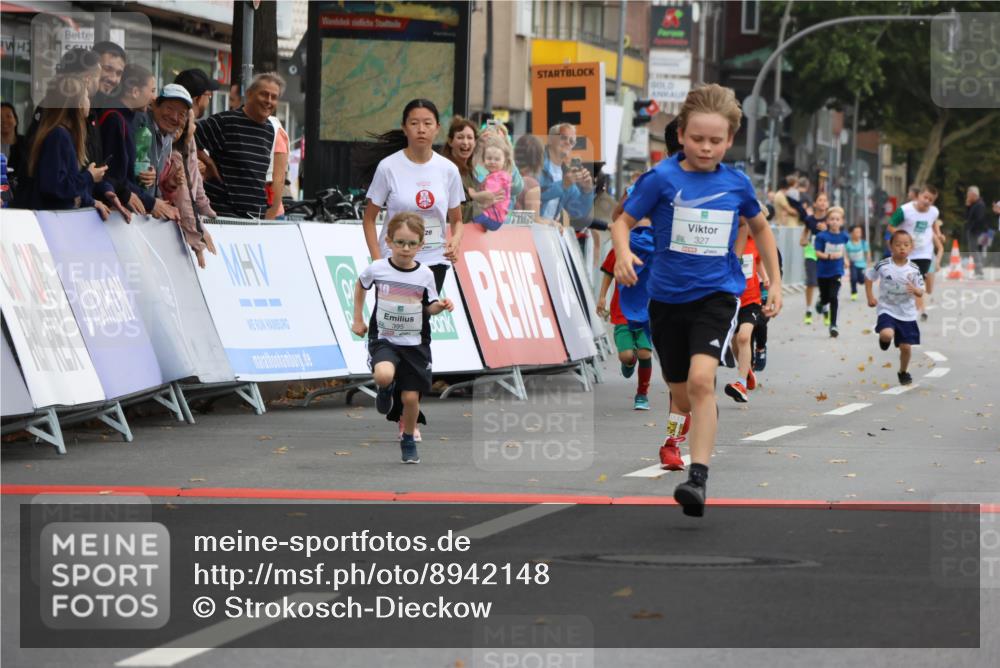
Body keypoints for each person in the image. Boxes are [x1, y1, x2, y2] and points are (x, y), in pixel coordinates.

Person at [612, 84, 782, 517]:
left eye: (716, 141)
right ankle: (675, 435)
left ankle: (698, 477)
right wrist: (624, 253)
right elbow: (622, 220)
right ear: (682, 134)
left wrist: (775, 284)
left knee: (703, 380)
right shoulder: (662, 178)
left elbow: (761, 229)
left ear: (729, 141)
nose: (706, 148)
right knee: (681, 392)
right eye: (697, 139)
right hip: (666, 300)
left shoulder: (736, 182)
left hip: (716, 295)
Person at [351, 213, 456, 464]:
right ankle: (386, 388)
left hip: (415, 343)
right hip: (384, 338)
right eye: (399, 243)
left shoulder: (426, 275)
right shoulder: (378, 268)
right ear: (388, 241)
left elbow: (429, 306)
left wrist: (441, 306)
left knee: (410, 398)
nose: (405, 249)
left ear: (421, 245)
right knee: (383, 374)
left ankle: (408, 439)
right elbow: (361, 285)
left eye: (411, 244)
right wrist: (358, 319)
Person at [196, 72, 281, 218]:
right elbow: (187, 137)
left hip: (254, 219)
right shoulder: (225, 121)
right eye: (264, 94)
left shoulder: (269, 130)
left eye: (274, 97)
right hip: (223, 217)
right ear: (249, 94)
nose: (269, 101)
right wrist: (208, 162)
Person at [21, 77, 109, 214]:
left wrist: (90, 201)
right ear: (78, 104)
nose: (89, 101)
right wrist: (89, 176)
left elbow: (66, 186)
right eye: (86, 96)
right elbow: (55, 187)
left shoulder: (62, 135)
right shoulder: (59, 136)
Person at [597, 219, 655, 412]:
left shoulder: (655, 251)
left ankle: (642, 394)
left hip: (646, 312)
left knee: (645, 352)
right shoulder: (620, 250)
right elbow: (608, 272)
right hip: (622, 312)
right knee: (626, 355)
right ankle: (629, 362)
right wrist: (602, 297)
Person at [98, 64, 160, 215]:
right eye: (152, 90)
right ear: (135, 91)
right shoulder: (115, 119)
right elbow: (114, 175)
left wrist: (145, 173)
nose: (154, 97)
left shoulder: (134, 119)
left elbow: (127, 170)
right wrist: (151, 202)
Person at [159, 107, 217, 268]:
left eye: (188, 123)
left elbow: (194, 179)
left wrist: (204, 205)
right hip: (159, 216)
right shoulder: (170, 150)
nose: (193, 128)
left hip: (174, 215)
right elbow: (183, 198)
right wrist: (197, 240)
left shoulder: (187, 144)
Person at [866, 230, 924, 386]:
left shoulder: (914, 269)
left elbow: (921, 291)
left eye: (906, 245)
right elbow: (869, 277)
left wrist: (916, 290)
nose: (902, 248)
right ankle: (884, 339)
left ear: (911, 247)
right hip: (887, 309)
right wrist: (870, 297)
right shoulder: (883, 265)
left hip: (907, 313)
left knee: (906, 347)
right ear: (891, 246)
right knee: (886, 334)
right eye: (898, 244)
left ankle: (903, 372)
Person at [724, 225, 767, 402]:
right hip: (732, 301)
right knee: (735, 343)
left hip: (751, 302)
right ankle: (746, 369)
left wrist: (766, 282)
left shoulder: (757, 243)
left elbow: (759, 266)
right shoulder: (728, 243)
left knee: (744, 338)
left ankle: (741, 383)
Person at [887, 184, 939, 320]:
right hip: (906, 252)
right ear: (919, 196)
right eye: (925, 197)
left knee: (916, 278)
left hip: (924, 252)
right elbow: (891, 226)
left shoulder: (934, 212)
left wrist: (939, 234)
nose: (927, 201)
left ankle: (918, 310)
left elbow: (933, 223)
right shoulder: (905, 210)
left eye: (931, 199)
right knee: (907, 280)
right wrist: (902, 239)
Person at [538, 122, 594, 222]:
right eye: (563, 138)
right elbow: (532, 196)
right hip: (525, 230)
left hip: (547, 233)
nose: (568, 142)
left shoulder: (566, 173)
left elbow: (578, 212)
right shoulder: (536, 163)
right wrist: (563, 185)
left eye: (572, 141)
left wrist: (587, 190)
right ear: (550, 139)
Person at [813, 206, 849, 337]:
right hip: (823, 272)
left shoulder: (845, 236)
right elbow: (817, 253)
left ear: (842, 222)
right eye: (832, 219)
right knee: (825, 297)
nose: (834, 221)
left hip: (837, 271)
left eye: (837, 219)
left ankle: (833, 324)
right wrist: (829, 256)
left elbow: (844, 249)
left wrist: (845, 259)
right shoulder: (822, 236)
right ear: (827, 221)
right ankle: (821, 302)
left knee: (833, 297)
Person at [470, 133, 513, 231]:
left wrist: (473, 194)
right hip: (495, 218)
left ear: (504, 161)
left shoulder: (499, 177)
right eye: (489, 158)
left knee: (470, 212)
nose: (492, 162)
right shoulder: (493, 175)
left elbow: (488, 194)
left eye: (497, 159)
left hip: (493, 218)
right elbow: (477, 173)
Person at [965, 186, 989, 279]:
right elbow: (967, 217)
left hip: (977, 232)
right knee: (976, 251)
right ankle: (978, 271)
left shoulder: (980, 205)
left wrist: (971, 228)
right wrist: (967, 206)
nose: (967, 197)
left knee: (975, 251)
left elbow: (978, 219)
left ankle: (979, 272)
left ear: (973, 195)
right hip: (977, 231)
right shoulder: (974, 204)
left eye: (968, 195)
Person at [1, 102, 24, 192]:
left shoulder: (26, 145)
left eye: (8, 116)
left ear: (16, 120)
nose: (3, 121)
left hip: (21, 198)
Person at [845, 224, 872, 301]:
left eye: (860, 232)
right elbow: (845, 254)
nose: (858, 234)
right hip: (853, 264)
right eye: (856, 232)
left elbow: (867, 253)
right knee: (853, 278)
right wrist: (846, 261)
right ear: (851, 233)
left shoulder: (863, 243)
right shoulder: (848, 243)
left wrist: (868, 263)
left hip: (862, 264)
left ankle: (858, 278)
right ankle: (854, 292)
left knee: (861, 280)